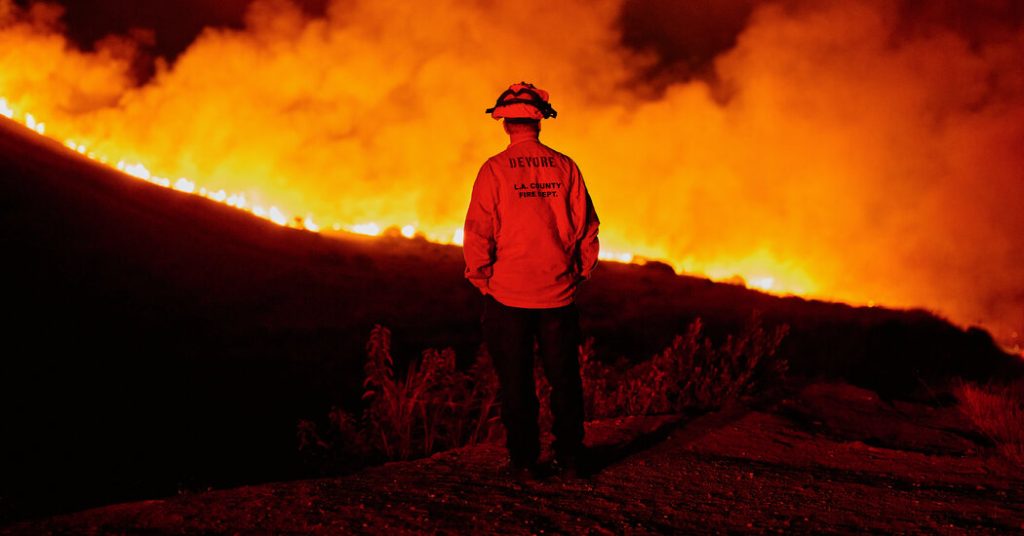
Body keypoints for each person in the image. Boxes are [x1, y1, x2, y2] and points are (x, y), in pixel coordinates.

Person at [462, 82, 600, 479]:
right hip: (558, 295)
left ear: (505, 123)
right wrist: (578, 273)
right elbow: (587, 228)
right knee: (565, 380)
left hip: (508, 296)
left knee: (516, 383)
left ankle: (523, 461)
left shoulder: (494, 170)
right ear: (540, 122)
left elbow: (478, 231)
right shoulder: (566, 167)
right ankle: (570, 458)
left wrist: (483, 279)